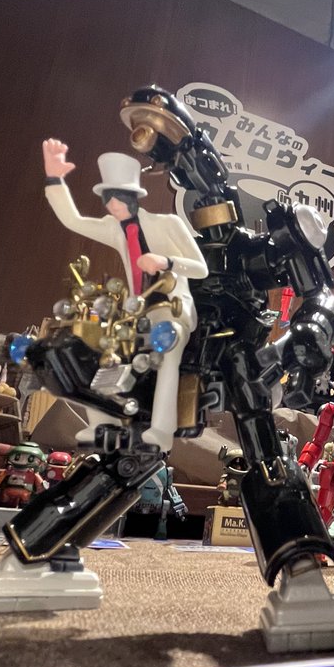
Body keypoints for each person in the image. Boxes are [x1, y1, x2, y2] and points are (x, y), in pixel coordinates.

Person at [40, 138, 207, 449]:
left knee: (166, 354)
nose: (111, 207)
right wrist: (55, 178)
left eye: (116, 200)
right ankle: (103, 423)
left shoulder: (168, 224)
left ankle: (161, 430)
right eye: (108, 201)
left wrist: (166, 261)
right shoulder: (115, 227)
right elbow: (73, 221)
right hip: (136, 312)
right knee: (100, 354)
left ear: (131, 199)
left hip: (171, 307)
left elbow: (201, 268)